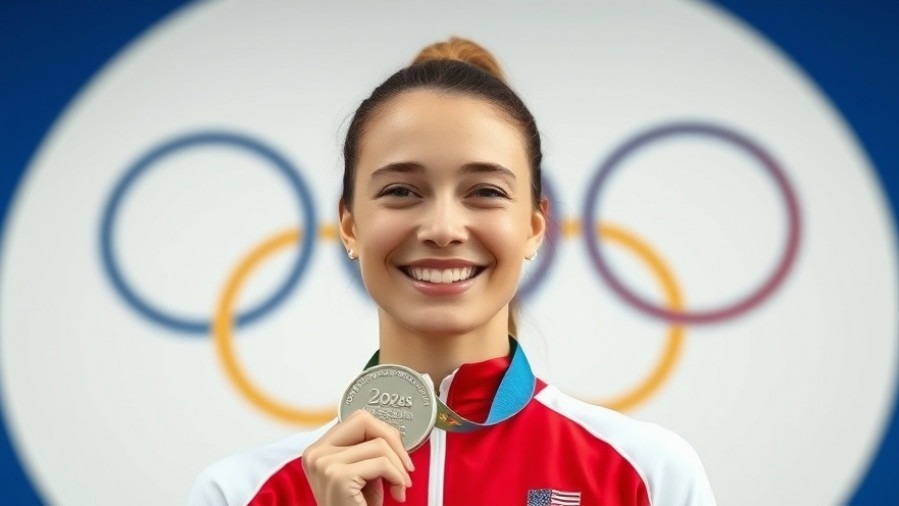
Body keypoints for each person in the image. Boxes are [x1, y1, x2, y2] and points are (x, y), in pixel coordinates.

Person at [189, 37, 716, 506]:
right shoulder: (241, 493)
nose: (443, 228)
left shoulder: (649, 475)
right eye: (401, 191)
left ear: (535, 226)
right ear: (349, 224)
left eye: (485, 192)